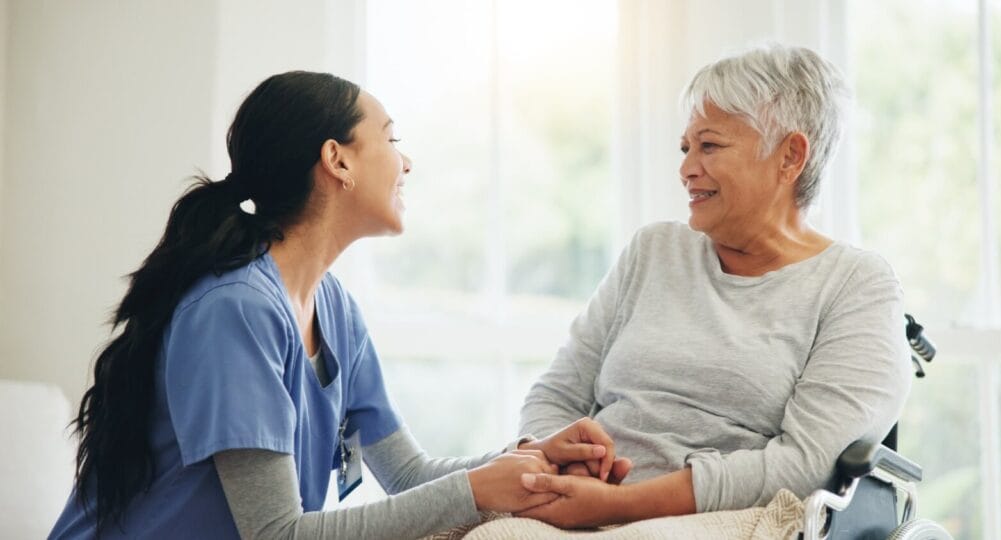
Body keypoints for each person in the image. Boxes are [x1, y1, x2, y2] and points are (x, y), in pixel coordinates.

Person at [49, 71, 622, 540]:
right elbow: (275, 533)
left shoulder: (335, 309)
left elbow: (407, 474)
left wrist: (528, 459)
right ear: (337, 160)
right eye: (392, 140)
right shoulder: (237, 310)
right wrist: (478, 491)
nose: (407, 162)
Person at [513, 45, 912, 528]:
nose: (686, 168)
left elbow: (805, 463)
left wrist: (619, 505)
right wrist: (558, 457)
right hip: (579, 503)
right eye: (686, 148)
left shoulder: (856, 286)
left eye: (709, 146)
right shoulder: (653, 252)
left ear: (790, 156)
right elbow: (555, 394)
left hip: (728, 518)